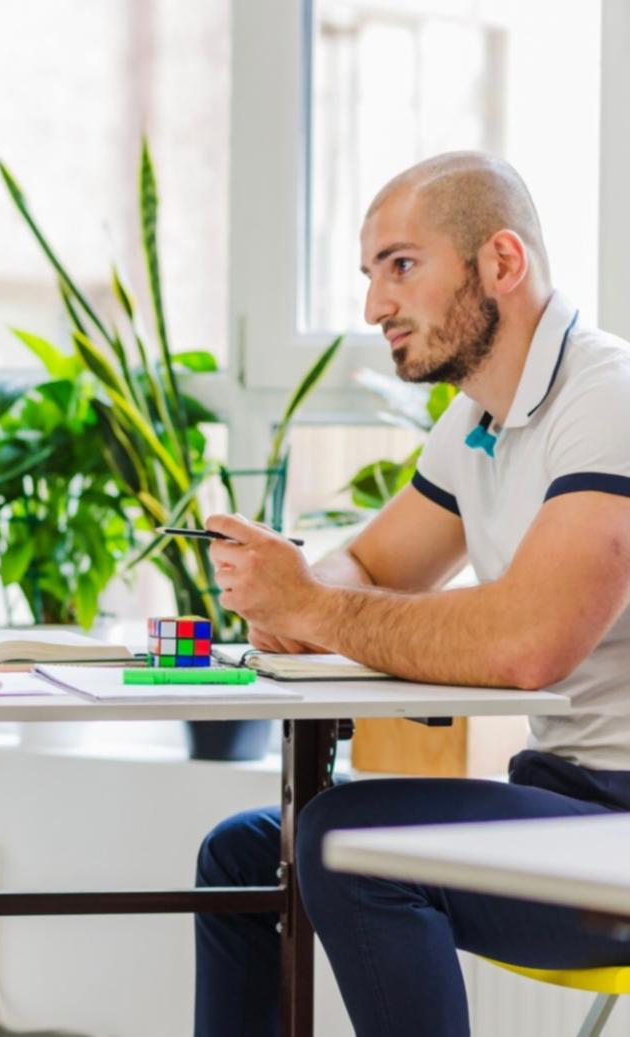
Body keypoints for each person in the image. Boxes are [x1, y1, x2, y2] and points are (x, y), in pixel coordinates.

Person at [193, 152, 630, 1036]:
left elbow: (529, 642)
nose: (373, 307)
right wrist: (295, 599)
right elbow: (378, 568)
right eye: (368, 274)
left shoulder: (607, 398)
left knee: (345, 845)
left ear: (500, 264)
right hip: (567, 797)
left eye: (400, 265)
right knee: (247, 852)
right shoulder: (476, 419)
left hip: (615, 824)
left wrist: (314, 611)